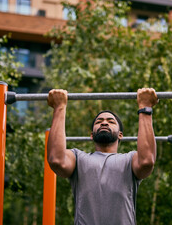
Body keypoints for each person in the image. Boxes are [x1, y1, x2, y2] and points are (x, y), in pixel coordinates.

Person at [47, 88, 158, 225]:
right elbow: (56, 160)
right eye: (99, 121)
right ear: (91, 135)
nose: (104, 122)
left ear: (120, 135)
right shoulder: (78, 158)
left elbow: (147, 161)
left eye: (111, 121)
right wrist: (59, 108)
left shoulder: (130, 160)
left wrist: (145, 108)